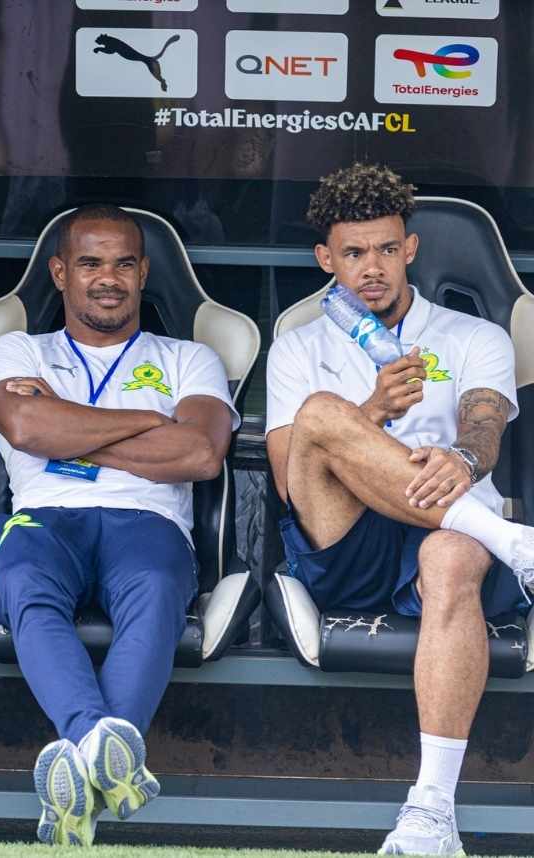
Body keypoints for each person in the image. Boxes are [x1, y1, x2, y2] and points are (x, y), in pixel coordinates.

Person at [265, 163, 534, 856]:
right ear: (327, 258)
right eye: (353, 253)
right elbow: (291, 477)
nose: (372, 268)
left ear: (409, 248)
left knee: (449, 552)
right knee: (323, 414)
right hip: (348, 539)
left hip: (444, 547)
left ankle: (431, 813)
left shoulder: (474, 335)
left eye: (386, 249)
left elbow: (485, 426)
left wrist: (466, 461)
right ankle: (508, 539)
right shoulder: (297, 344)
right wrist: (376, 412)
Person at [0, 204, 238, 847]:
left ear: (144, 272)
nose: (108, 278)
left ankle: (82, 766)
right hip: (45, 518)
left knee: (154, 593)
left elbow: (200, 455)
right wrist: (151, 422)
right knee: (26, 585)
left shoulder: (189, 357)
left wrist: (71, 432)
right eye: (90, 263)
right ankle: (104, 752)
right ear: (60, 272)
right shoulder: (18, 348)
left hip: (148, 522)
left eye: (124, 263)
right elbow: (27, 427)